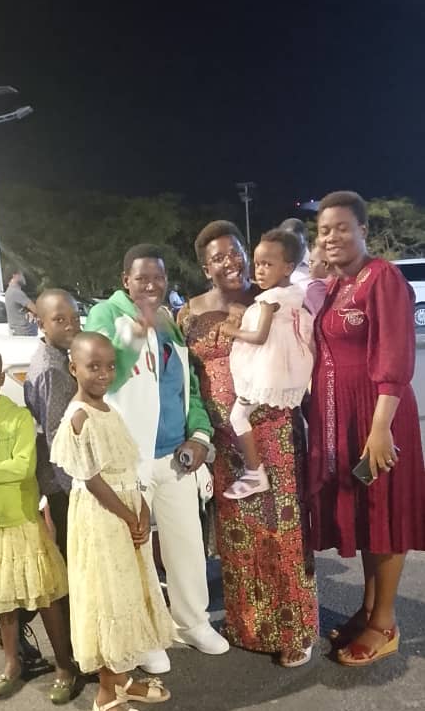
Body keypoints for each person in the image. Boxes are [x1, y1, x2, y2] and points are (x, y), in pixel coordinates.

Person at [84, 244, 229, 674]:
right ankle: (144, 634)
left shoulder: (168, 321)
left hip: (175, 456)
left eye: (158, 278)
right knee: (136, 549)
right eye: (142, 278)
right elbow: (105, 375)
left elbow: (188, 387)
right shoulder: (106, 316)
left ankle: (192, 622)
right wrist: (135, 331)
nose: (151, 285)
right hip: (128, 460)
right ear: (125, 280)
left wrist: (199, 435)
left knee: (187, 544)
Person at [179, 221, 318, 667]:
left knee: (282, 529)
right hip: (223, 440)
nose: (231, 262)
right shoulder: (188, 314)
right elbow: (187, 381)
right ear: (206, 267)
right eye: (218, 257)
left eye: (236, 251)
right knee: (239, 537)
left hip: (272, 431)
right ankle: (247, 625)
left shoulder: (267, 298)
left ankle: (294, 630)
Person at [309, 190, 425, 666]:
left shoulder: (382, 277)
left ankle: (386, 624)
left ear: (363, 230)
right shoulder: (336, 285)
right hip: (345, 418)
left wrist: (380, 428)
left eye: (341, 228)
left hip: (379, 417)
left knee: (384, 513)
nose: (331, 237)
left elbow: (394, 354)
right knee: (364, 517)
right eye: (323, 230)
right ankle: (369, 608)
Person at [51, 333, 173, 711]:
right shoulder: (79, 417)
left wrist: (142, 508)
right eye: (93, 367)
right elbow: (92, 479)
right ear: (74, 368)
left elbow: (125, 467)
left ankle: (120, 679)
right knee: (109, 599)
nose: (103, 374)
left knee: (129, 594)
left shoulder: (109, 410)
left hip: (125, 511)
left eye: (108, 366)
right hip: (102, 520)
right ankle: (105, 700)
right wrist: (127, 515)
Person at [0, 345, 76, 700]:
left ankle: (64, 664)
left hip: (21, 521)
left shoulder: (19, 418)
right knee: (3, 600)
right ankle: (12, 663)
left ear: (1, 378)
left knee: (45, 596)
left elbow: (22, 467)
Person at [221, 228, 314, 500]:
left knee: (237, 416)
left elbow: (260, 336)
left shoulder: (269, 299)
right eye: (257, 263)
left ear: (288, 268)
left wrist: (232, 331)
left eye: (267, 265)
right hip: (284, 367)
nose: (259, 271)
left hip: (265, 369)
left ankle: (254, 472)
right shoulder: (294, 294)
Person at [24, 289, 81, 559]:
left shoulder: (57, 357)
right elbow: (57, 435)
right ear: (41, 324)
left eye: (75, 318)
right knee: (77, 555)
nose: (70, 325)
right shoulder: (51, 370)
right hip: (64, 483)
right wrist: (75, 490)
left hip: (62, 480)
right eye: (59, 320)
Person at [4, 271, 38, 336]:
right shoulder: (15, 292)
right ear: (14, 275)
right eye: (22, 275)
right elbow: (35, 309)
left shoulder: (10, 291)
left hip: (20, 332)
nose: (24, 278)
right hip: (25, 333)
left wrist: (32, 313)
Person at [280, 218, 310, 290]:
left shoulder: (319, 265)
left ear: (305, 240)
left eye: (296, 242)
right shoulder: (274, 264)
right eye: (287, 243)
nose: (292, 248)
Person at [305, 242, 329, 317]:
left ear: (326, 264)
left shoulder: (316, 288)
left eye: (312, 262)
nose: (309, 266)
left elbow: (324, 317)